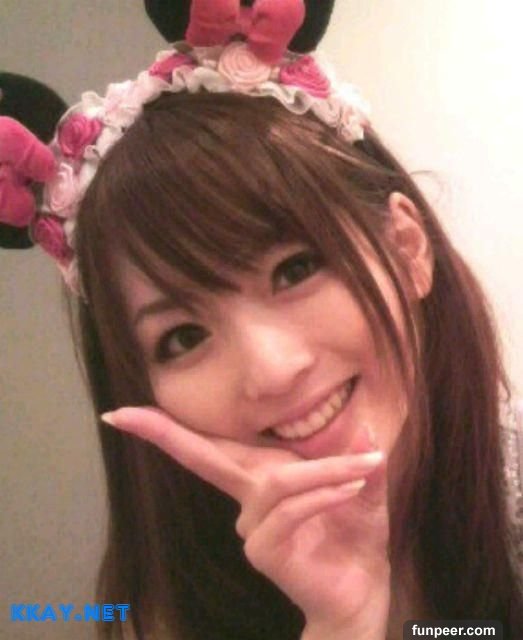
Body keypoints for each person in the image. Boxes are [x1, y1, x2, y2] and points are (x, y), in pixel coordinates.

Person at [1, 1, 522, 638]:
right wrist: (341, 625)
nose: (272, 371)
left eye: (295, 270)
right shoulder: (157, 617)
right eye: (183, 337)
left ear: (407, 249)